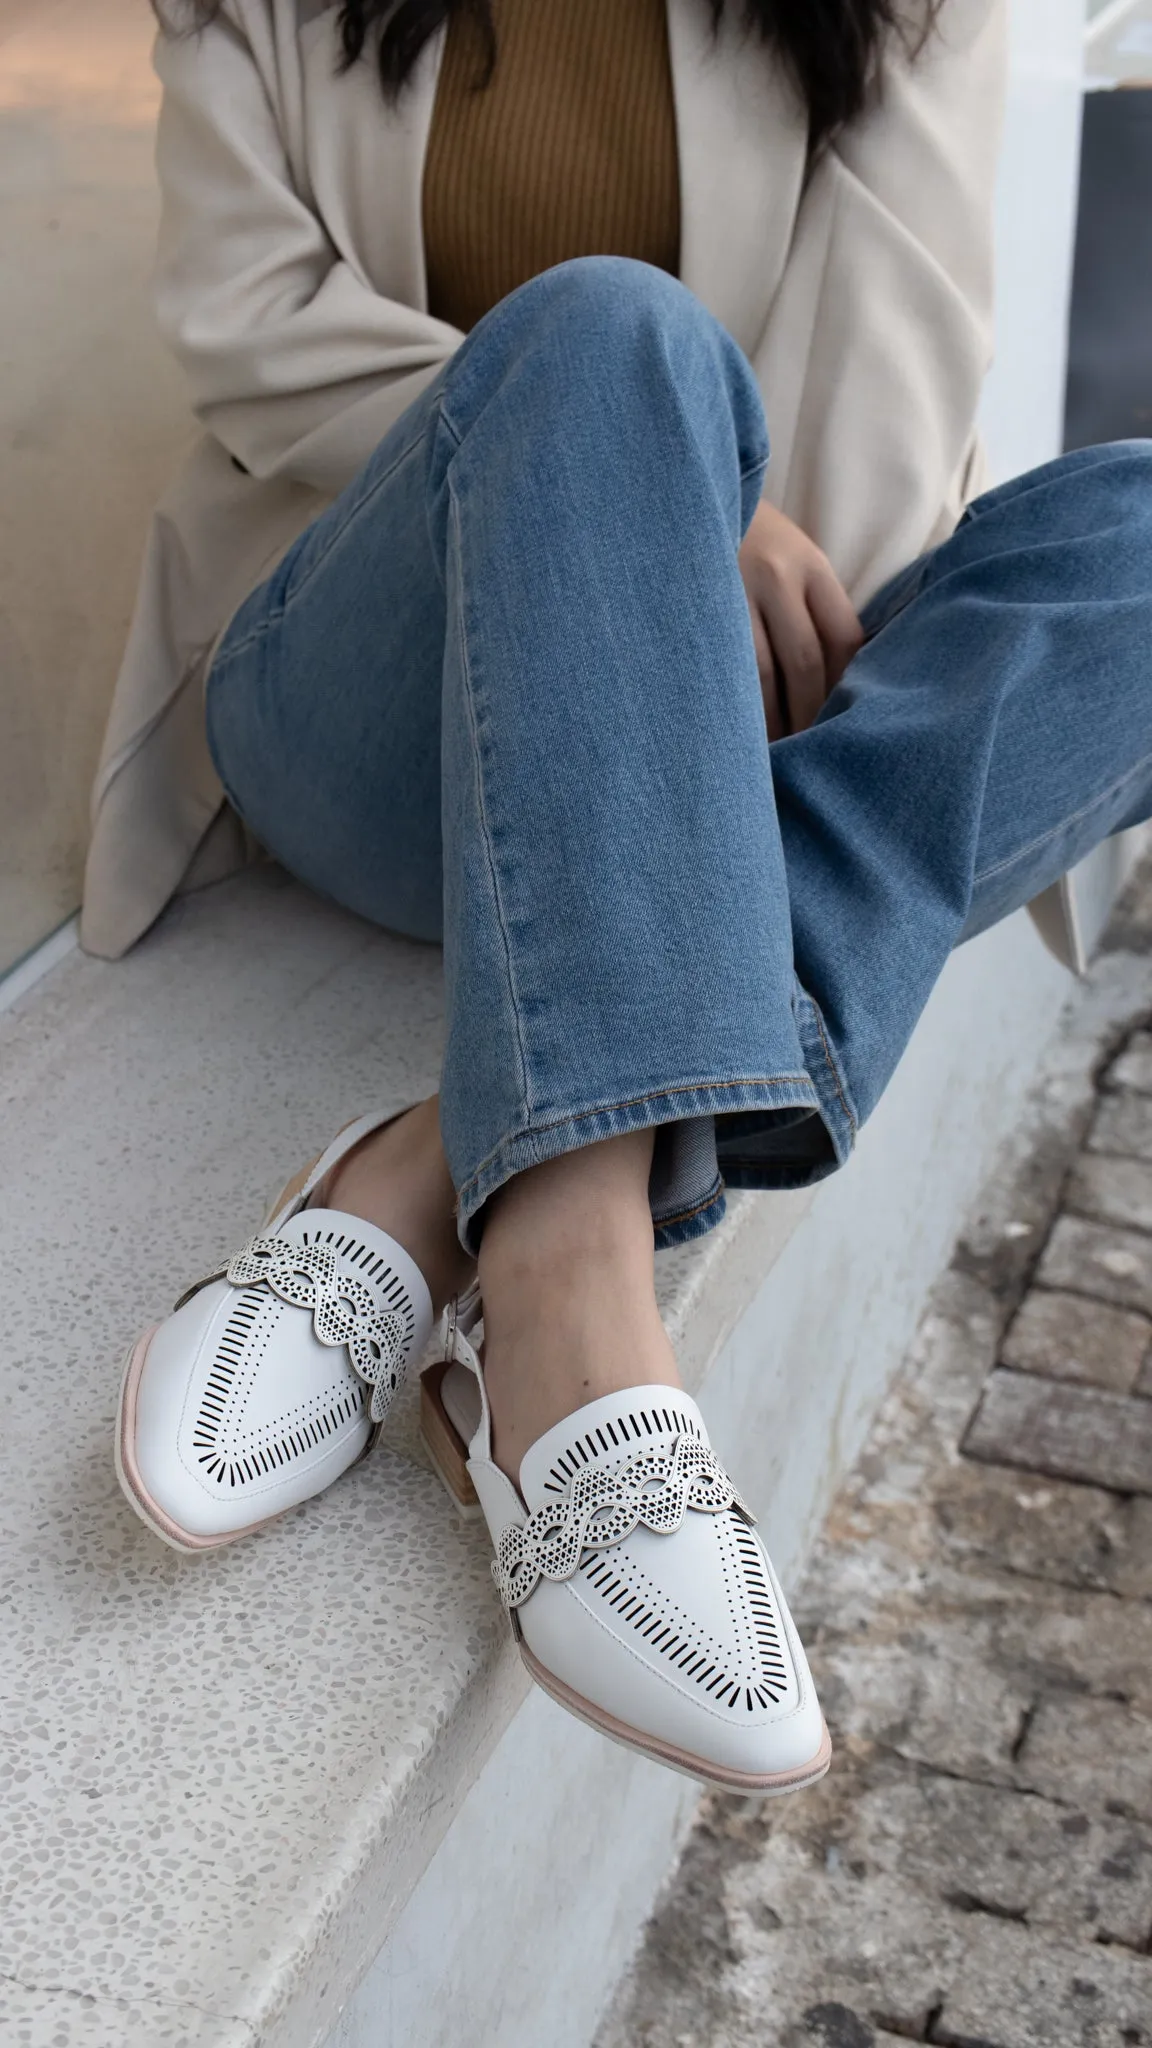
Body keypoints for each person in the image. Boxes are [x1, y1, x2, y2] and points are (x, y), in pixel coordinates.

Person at [97, 0, 1151, 1794]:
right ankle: (576, 1307)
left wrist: (693, 612)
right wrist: (671, 487)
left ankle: (446, 1167)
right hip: (363, 685)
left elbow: (888, 416)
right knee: (607, 331)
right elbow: (244, 325)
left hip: (729, 703)